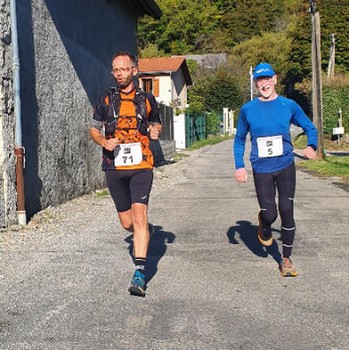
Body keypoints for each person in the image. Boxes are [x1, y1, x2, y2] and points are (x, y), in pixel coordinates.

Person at [233, 62, 318, 277]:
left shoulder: (288, 105)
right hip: (261, 168)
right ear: (255, 84)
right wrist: (239, 166)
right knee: (270, 212)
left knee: (287, 210)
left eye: (267, 79)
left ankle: (286, 258)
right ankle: (264, 221)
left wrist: (312, 145)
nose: (264, 84)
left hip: (285, 164)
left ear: (275, 80)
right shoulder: (248, 109)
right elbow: (239, 139)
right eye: (259, 80)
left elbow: (309, 126)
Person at [90, 51, 162, 296]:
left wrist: (155, 131)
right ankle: (144, 232)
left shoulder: (147, 99)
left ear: (134, 70)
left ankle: (139, 273)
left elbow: (156, 122)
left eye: (123, 69)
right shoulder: (107, 99)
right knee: (127, 222)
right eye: (115, 69)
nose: (118, 73)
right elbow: (93, 129)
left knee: (140, 217)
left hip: (142, 165)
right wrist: (103, 142)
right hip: (114, 166)